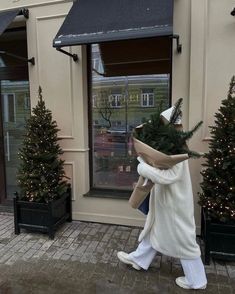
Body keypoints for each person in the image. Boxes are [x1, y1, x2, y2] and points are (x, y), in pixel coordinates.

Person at [117, 107, 207, 290]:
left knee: (184, 240)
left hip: (175, 205)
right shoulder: (173, 144)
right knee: (154, 229)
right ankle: (139, 259)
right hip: (167, 202)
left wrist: (143, 168)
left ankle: (197, 280)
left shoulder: (177, 148)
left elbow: (168, 177)